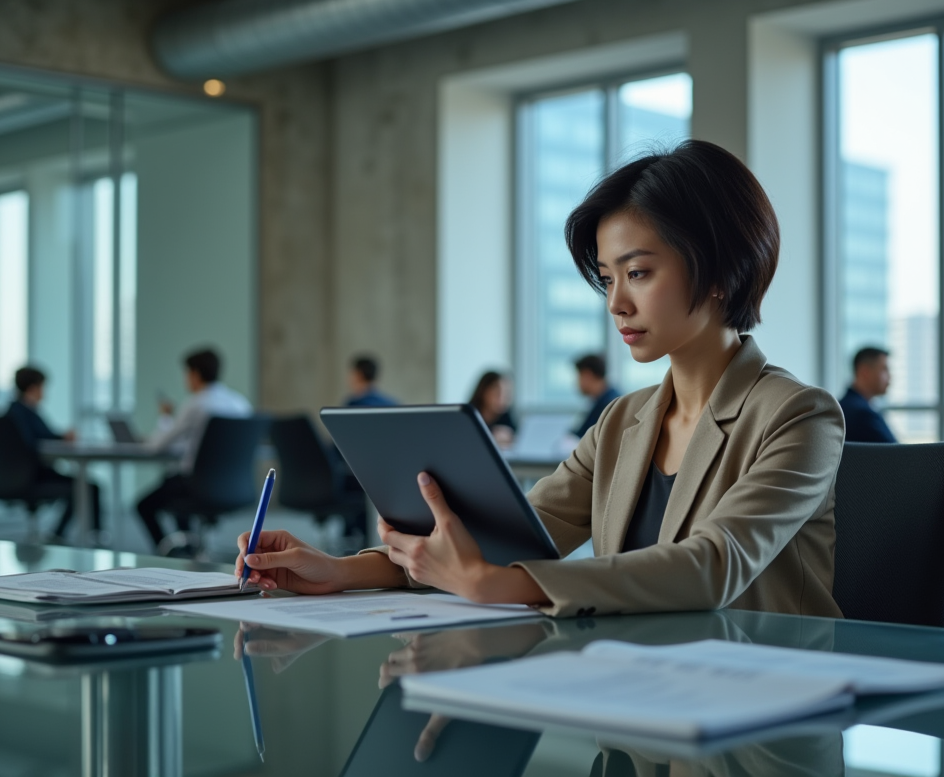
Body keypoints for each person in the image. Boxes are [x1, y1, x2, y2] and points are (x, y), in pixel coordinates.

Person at [235, 140, 845, 620]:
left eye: (638, 273)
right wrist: (340, 570)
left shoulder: (798, 416)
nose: (617, 304)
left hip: (765, 715)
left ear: (720, 273)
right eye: (608, 278)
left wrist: (498, 586)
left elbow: (713, 566)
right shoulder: (623, 422)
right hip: (639, 696)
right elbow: (505, 538)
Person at [137, 348, 252, 555]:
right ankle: (188, 546)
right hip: (236, 486)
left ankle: (170, 553)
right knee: (174, 490)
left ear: (195, 374)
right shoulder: (240, 404)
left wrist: (165, 417)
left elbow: (157, 446)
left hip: (196, 485)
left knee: (144, 504)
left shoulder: (196, 404)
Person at [5, 366, 103, 541]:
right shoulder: (24, 413)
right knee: (85, 487)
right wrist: (62, 437)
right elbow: (36, 440)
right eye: (43, 387)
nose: (44, 392)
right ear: (34, 388)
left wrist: (59, 436)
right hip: (33, 476)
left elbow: (39, 436)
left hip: (16, 476)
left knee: (84, 486)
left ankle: (59, 534)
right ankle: (87, 535)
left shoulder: (12, 412)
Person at [838, 347, 896, 443]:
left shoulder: (842, 407)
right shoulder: (863, 415)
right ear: (865, 372)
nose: (890, 376)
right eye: (884, 369)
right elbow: (899, 454)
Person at [572, 354, 621, 438]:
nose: (576, 382)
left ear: (588, 375)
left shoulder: (610, 404)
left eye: (579, 376)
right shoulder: (598, 401)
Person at [469, 370, 516, 447]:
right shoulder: (469, 415)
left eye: (507, 392)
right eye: (497, 392)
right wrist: (491, 436)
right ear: (483, 391)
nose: (502, 397)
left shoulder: (505, 416)